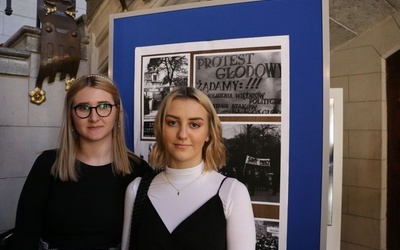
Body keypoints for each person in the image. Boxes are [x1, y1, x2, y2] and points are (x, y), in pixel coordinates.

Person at [12, 74, 153, 250]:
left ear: (117, 113)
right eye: (83, 107)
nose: (94, 117)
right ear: (71, 115)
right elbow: (24, 237)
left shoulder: (139, 171)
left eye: (103, 106)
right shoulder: (47, 164)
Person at [121, 86, 256, 250]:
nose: (182, 134)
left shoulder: (232, 192)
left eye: (194, 124)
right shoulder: (136, 190)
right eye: (173, 123)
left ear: (209, 133)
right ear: (160, 129)